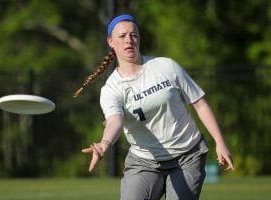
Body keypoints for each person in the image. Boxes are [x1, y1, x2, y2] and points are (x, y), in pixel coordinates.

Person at [74, 14, 234, 200]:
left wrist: (220, 141)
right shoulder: (111, 88)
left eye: (134, 35)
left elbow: (200, 103)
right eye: (122, 36)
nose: (129, 40)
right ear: (110, 41)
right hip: (144, 162)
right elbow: (114, 121)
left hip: (188, 155)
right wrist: (105, 144)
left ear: (139, 38)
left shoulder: (166, 66)